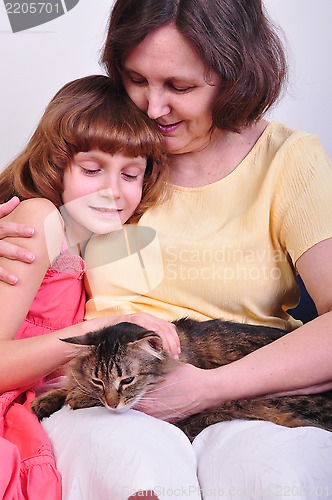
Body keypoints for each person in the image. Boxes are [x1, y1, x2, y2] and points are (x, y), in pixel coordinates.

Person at [1, 0, 332, 499]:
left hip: (241, 384)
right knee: (135, 475)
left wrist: (206, 388)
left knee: (270, 478)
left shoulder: (290, 161)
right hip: (106, 393)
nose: (153, 109)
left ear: (235, 76)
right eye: (136, 79)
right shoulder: (113, 156)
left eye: (180, 87)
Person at [0, 73, 172, 499]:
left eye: (131, 175)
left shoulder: (91, 247)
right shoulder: (40, 219)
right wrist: (108, 330)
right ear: (57, 162)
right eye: (93, 169)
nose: (113, 191)